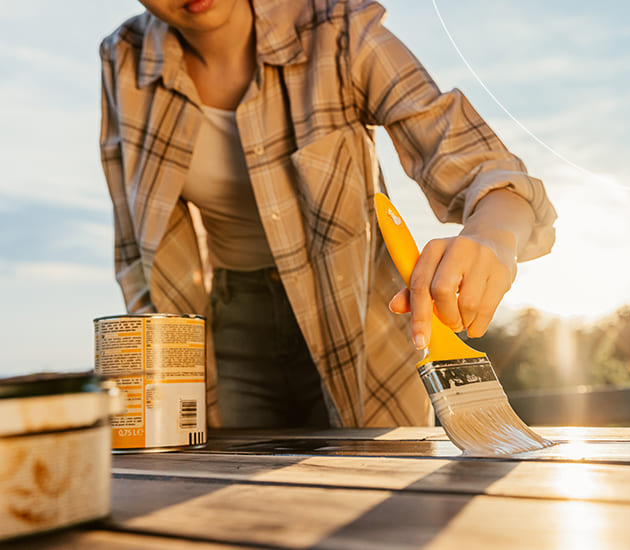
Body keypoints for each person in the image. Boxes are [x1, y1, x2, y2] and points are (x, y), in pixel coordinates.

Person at [99, 0, 557, 430]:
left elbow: (480, 163)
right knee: (231, 501)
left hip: (365, 323)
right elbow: (135, 247)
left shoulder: (338, 28)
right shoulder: (123, 60)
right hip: (231, 330)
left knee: (380, 501)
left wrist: (493, 236)